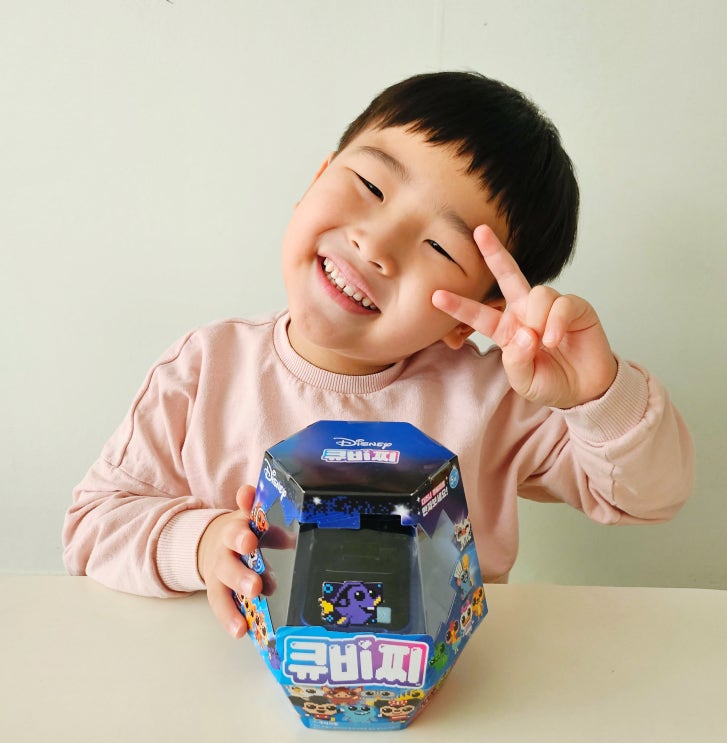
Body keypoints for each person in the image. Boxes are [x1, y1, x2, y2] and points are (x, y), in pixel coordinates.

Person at [63, 71, 694, 639]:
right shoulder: (206, 368)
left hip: (448, 703)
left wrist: (597, 394)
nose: (376, 245)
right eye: (370, 186)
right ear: (316, 180)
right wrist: (199, 544)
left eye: (440, 248)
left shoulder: (495, 403)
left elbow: (647, 497)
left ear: (469, 320)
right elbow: (93, 526)